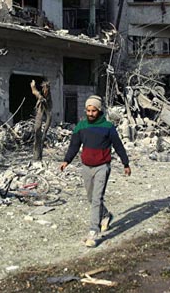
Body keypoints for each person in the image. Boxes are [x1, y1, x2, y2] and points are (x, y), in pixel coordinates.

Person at [60, 95, 131, 248]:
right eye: (88, 110)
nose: (90, 113)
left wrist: (126, 163)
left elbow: (118, 146)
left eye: (93, 111)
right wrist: (67, 160)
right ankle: (105, 215)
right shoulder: (81, 126)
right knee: (91, 198)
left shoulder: (108, 127)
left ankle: (93, 232)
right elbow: (74, 145)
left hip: (102, 167)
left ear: (99, 110)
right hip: (86, 167)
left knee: (97, 198)